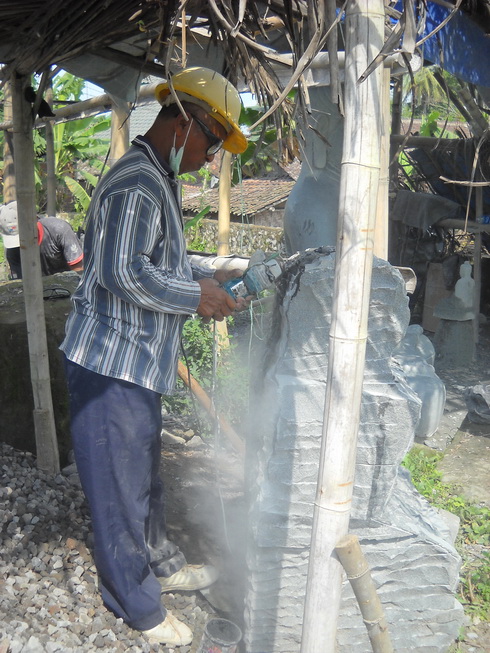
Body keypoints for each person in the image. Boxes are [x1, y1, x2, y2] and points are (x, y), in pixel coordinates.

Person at [60, 67, 248, 647]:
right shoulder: (136, 183)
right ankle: (135, 605)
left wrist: (211, 272)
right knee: (120, 488)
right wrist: (198, 295)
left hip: (137, 364)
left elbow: (155, 260)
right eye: (213, 140)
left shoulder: (155, 179)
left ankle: (162, 564)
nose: (213, 155)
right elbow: (122, 272)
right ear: (183, 123)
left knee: (143, 473)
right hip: (108, 366)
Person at [0, 201, 84, 279]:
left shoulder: (59, 230)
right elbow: (19, 284)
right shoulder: (12, 252)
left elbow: (78, 272)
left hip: (67, 286)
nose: (20, 243)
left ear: (34, 220)